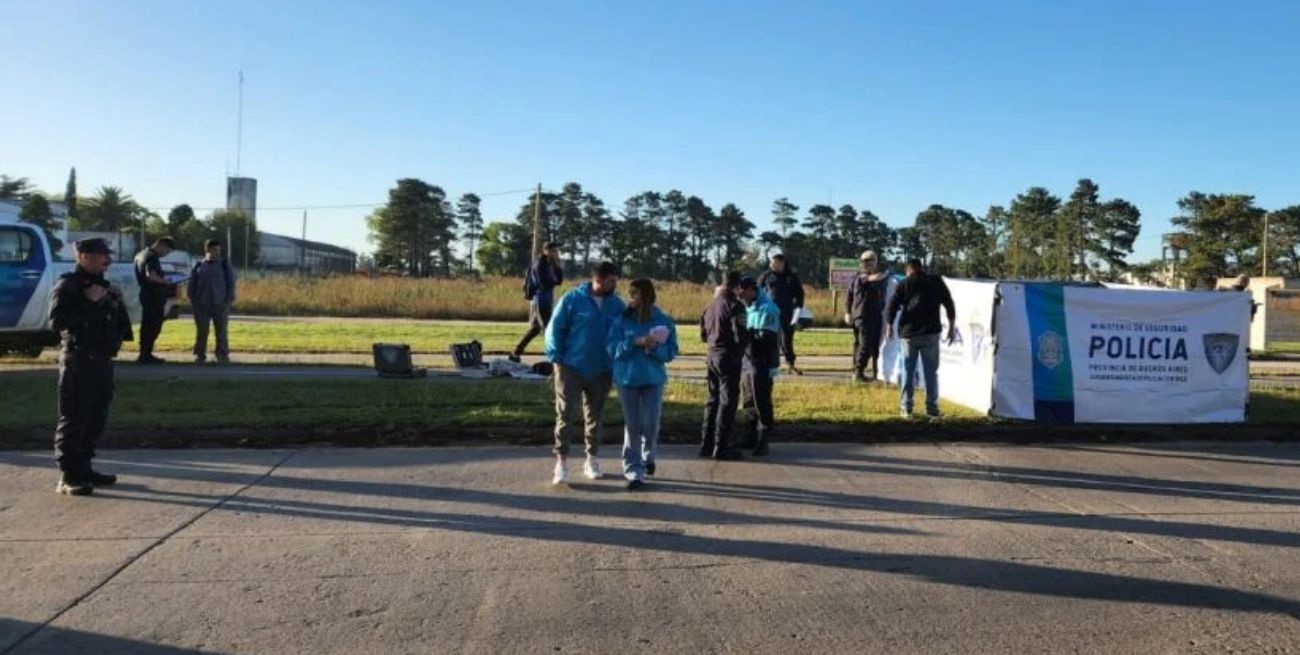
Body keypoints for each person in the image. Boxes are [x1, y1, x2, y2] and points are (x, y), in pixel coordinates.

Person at [49, 238, 133, 496]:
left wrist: (116, 302)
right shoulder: (68, 285)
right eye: (101, 255)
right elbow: (58, 321)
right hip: (79, 361)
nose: (107, 260)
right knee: (75, 418)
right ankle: (68, 475)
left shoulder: (102, 287)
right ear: (83, 256)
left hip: (102, 361)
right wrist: (89, 302)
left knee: (96, 419)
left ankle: (84, 468)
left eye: (107, 255)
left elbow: (122, 328)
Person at [545, 261, 624, 485]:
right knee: (565, 414)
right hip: (571, 366)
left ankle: (592, 459)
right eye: (611, 281)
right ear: (598, 279)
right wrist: (556, 357)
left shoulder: (617, 305)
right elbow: (556, 327)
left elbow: (623, 331)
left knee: (595, 416)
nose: (614, 285)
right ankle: (561, 462)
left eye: (615, 281)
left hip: (601, 369)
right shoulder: (573, 299)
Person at [607, 279, 678, 490]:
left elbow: (671, 352)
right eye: (630, 294)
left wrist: (654, 348)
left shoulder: (663, 321)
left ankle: (649, 456)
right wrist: (634, 342)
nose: (631, 298)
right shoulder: (621, 320)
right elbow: (612, 348)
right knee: (632, 425)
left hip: (652, 379)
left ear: (647, 296)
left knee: (650, 423)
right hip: (627, 379)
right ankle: (634, 471)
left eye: (635, 294)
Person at [885, 259, 956, 420]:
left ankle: (906, 409)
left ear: (908, 270)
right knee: (931, 373)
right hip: (931, 334)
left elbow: (892, 305)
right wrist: (951, 327)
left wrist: (889, 326)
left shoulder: (905, 283)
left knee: (907, 372)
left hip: (909, 335)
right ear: (922, 269)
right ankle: (932, 409)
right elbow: (949, 303)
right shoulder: (936, 281)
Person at [699, 271, 749, 461]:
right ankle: (721, 446)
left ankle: (706, 443)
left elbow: (703, 334)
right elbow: (740, 335)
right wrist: (739, 350)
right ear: (737, 287)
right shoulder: (736, 306)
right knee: (727, 403)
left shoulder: (710, 305)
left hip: (711, 354)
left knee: (712, 400)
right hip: (727, 356)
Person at [738, 276, 781, 456]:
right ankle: (750, 434)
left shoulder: (767, 308)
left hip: (762, 362)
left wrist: (746, 333)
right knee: (748, 399)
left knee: (761, 399)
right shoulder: (748, 307)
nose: (740, 296)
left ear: (751, 290)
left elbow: (767, 341)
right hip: (748, 361)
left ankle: (764, 437)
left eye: (742, 293)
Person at [511, 242, 564, 363]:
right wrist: (553, 280)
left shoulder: (551, 264)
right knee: (548, 328)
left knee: (535, 329)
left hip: (546, 298)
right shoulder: (540, 264)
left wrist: (557, 266)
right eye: (553, 251)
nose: (556, 253)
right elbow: (543, 284)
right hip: (540, 299)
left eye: (556, 251)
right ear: (546, 251)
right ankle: (557, 358)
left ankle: (516, 352)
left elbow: (559, 281)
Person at [845, 250, 893, 382]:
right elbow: (849, 296)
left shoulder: (880, 279)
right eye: (866, 261)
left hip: (876, 316)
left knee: (873, 346)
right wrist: (848, 312)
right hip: (862, 316)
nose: (868, 263)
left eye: (871, 260)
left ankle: (874, 372)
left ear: (876, 262)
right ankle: (858, 371)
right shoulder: (860, 277)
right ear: (861, 263)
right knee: (865, 345)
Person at [187, 239, 237, 365]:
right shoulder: (198, 265)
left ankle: (222, 355)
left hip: (220, 304)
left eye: (219, 250)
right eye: (214, 249)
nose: (217, 252)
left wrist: (228, 301)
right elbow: (191, 285)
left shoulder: (224, 265)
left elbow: (231, 284)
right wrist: (193, 301)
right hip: (202, 305)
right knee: (202, 332)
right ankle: (200, 355)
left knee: (221, 332)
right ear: (207, 250)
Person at [758, 251, 806, 375]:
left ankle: (791, 364)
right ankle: (767, 365)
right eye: (772, 263)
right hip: (769, 314)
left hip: (787, 313)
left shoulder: (791, 276)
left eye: (776, 263)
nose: (773, 265)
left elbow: (799, 295)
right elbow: (757, 291)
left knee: (786, 340)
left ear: (782, 263)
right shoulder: (766, 276)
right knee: (768, 339)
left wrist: (798, 310)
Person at [133, 236, 177, 365]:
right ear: (161, 245)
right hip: (153, 295)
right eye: (167, 251)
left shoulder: (140, 254)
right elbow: (151, 275)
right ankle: (145, 355)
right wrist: (166, 281)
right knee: (153, 326)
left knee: (147, 325)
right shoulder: (152, 256)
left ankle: (144, 353)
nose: (166, 254)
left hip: (146, 294)